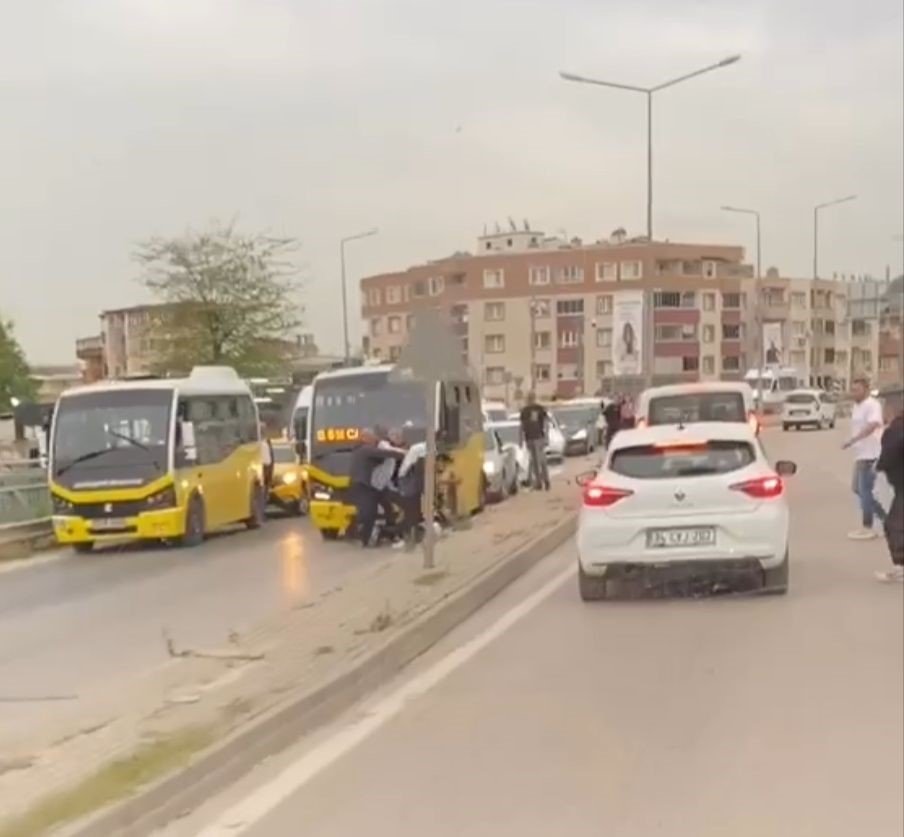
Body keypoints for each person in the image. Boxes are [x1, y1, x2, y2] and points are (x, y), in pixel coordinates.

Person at [842, 377, 887, 540]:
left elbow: (873, 425)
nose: (854, 393)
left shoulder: (872, 405)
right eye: (852, 389)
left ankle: (867, 527)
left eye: (857, 389)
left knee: (865, 490)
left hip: (871, 454)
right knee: (857, 488)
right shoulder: (857, 406)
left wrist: (852, 440)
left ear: (866, 389)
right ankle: (887, 520)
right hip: (861, 454)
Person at [348, 429, 403, 547]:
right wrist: (404, 454)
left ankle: (391, 533)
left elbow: (379, 460)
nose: (375, 441)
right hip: (363, 485)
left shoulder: (361, 451)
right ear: (365, 438)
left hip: (372, 486)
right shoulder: (365, 449)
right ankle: (363, 538)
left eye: (375, 439)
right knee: (368, 512)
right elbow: (385, 454)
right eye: (372, 439)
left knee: (387, 506)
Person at [875, 387, 904, 582]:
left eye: (884, 408)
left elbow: (889, 456)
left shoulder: (895, 430)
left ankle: (901, 566)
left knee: (894, 525)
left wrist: (879, 466)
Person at [519, 392, 550, 491]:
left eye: (531, 398)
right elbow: (522, 426)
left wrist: (546, 436)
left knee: (541, 460)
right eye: (529, 398)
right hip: (530, 438)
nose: (530, 399)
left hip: (538, 438)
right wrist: (521, 439)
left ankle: (546, 481)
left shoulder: (539, 409)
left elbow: (546, 423)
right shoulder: (524, 411)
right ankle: (539, 482)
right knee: (534, 461)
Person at [260, 424, 274, 489]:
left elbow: (271, 458)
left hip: (266, 466)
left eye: (263, 429)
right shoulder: (257, 442)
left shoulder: (267, 442)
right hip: (260, 466)